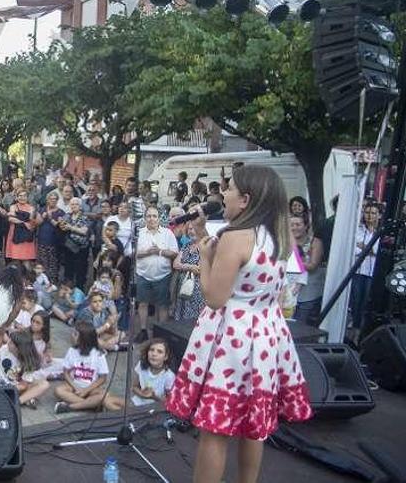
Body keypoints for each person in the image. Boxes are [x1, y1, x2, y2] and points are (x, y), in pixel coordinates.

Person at [167, 165, 312, 483]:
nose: (224, 194)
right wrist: (204, 236)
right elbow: (245, 279)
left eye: (229, 188)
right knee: (252, 427)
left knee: (215, 431)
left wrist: (203, 259)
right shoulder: (278, 236)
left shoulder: (236, 237)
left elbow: (216, 297)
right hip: (263, 335)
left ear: (245, 199)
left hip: (231, 340)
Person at [53, 321, 124, 414]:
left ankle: (71, 407)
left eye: (75, 334)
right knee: (58, 390)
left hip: (91, 388)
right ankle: (91, 405)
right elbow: (66, 372)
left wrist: (86, 390)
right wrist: (75, 387)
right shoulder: (72, 351)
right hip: (74, 386)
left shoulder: (99, 354)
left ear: (84, 338)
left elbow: (103, 378)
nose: (72, 336)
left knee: (104, 395)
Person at [0, 329, 50, 409]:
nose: (8, 342)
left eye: (11, 342)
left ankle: (18, 401)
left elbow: (23, 385)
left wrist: (9, 388)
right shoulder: (6, 348)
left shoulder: (27, 363)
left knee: (44, 383)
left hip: (11, 386)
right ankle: (25, 399)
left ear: (19, 348)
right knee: (36, 384)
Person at [134, 205, 179, 342]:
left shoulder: (167, 233)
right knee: (143, 303)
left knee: (162, 305)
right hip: (143, 274)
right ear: (145, 218)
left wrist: (159, 251)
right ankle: (143, 330)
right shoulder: (139, 233)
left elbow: (174, 253)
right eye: (149, 216)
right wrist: (147, 252)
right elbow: (134, 254)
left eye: (154, 216)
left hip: (163, 275)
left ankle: (160, 333)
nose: (151, 219)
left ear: (159, 218)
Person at [351, 201, 380, 329]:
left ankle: (363, 327)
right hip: (358, 271)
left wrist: (364, 248)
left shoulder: (381, 232)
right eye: (367, 212)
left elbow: (378, 251)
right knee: (356, 301)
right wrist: (369, 250)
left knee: (366, 303)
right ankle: (355, 326)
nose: (370, 216)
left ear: (379, 215)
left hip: (373, 272)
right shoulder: (358, 230)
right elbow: (353, 250)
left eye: (373, 213)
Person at [172, 221, 205, 322]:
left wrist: (183, 266)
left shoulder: (205, 246)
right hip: (183, 290)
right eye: (190, 229)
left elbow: (200, 268)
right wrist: (189, 266)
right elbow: (175, 264)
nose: (192, 231)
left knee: (196, 321)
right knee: (182, 322)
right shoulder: (186, 246)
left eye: (194, 228)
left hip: (198, 291)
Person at [131, 338, 174, 407]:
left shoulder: (169, 376)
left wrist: (154, 397)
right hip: (137, 402)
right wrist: (142, 394)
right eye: (151, 350)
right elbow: (134, 387)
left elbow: (170, 402)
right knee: (108, 401)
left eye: (159, 352)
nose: (154, 354)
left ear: (165, 357)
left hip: (154, 408)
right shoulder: (142, 365)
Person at [60, 197, 91, 290]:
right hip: (69, 246)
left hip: (81, 248)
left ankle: (79, 290)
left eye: (76, 204)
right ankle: (68, 290)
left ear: (80, 206)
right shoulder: (67, 215)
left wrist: (70, 227)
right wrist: (63, 225)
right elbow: (62, 226)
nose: (73, 206)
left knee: (80, 270)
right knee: (69, 268)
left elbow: (84, 231)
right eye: (72, 204)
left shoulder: (85, 217)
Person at [36, 192, 65, 285]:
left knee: (53, 262)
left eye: (55, 199)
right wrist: (43, 217)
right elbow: (37, 223)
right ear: (47, 200)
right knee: (43, 261)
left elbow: (59, 226)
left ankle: (53, 281)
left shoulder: (60, 212)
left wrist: (50, 218)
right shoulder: (42, 210)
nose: (53, 201)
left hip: (54, 241)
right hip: (42, 240)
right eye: (51, 199)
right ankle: (43, 280)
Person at [5, 188, 37, 264]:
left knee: (26, 261)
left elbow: (32, 222)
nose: (22, 198)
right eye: (20, 196)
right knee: (15, 260)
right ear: (16, 197)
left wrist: (17, 217)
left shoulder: (31, 208)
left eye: (24, 196)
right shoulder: (13, 206)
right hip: (15, 235)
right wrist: (24, 222)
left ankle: (27, 276)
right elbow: (11, 219)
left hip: (27, 236)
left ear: (27, 197)